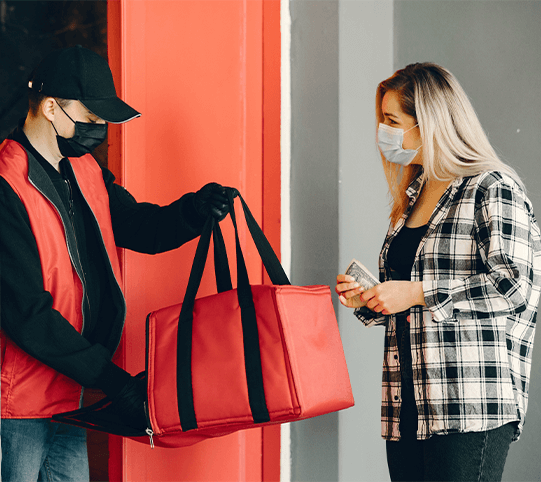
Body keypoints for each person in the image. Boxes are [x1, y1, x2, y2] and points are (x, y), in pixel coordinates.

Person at [0, 45, 231, 481]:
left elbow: (138, 226)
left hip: (72, 393)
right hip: (16, 404)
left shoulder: (83, 170)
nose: (99, 130)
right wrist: (115, 380)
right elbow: (26, 315)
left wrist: (194, 211)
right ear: (51, 108)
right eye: (90, 119)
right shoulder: (5, 184)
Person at [335, 63, 541, 482]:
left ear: (429, 122)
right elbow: (409, 296)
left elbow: (515, 287)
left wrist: (415, 293)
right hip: (406, 407)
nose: (383, 131)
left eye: (392, 121)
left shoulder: (493, 186)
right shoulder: (412, 196)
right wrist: (370, 298)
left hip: (467, 405)